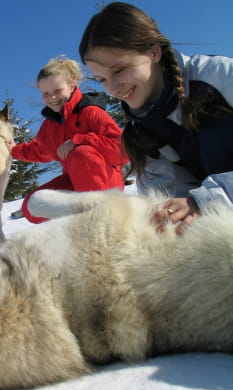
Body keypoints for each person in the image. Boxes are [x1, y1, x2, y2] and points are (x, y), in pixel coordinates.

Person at [79, 2, 233, 234]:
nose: (112, 88)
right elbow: (174, 195)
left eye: (119, 70)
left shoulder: (219, 76)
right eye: (101, 80)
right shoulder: (141, 132)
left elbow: (201, 202)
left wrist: (209, 198)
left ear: (153, 51)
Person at [11, 56, 126, 223]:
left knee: (82, 154)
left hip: (105, 185)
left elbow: (122, 151)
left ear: (72, 86)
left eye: (58, 91)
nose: (52, 98)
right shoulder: (50, 126)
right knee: (33, 205)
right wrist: (11, 150)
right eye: (46, 93)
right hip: (75, 183)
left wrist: (80, 140)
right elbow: (39, 150)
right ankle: (81, 223)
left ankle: (105, 221)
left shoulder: (91, 113)